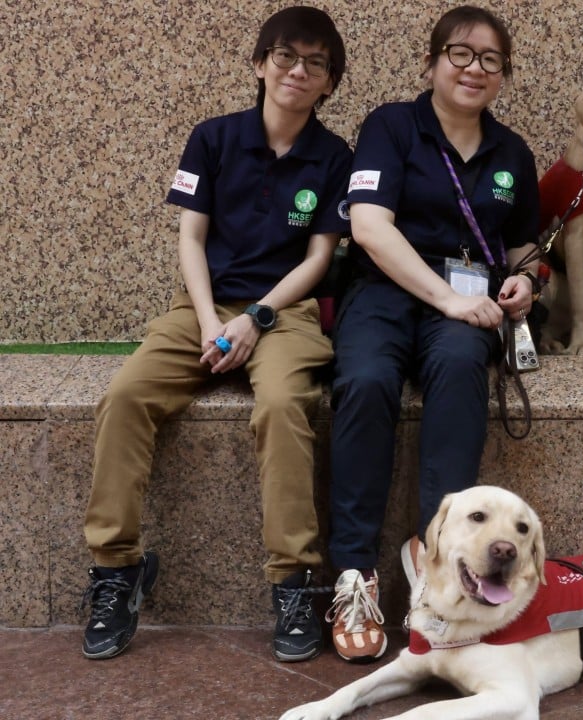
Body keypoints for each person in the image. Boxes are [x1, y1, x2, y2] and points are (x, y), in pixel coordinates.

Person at [79, 6, 350, 663]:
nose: (298, 71)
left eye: (315, 63)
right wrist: (208, 321)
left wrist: (255, 318)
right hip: (200, 306)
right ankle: (117, 570)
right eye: (285, 56)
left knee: (282, 405)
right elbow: (191, 238)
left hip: (285, 313)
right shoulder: (213, 138)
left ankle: (293, 583)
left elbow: (318, 259)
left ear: (329, 83)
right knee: (125, 396)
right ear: (260, 64)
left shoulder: (335, 156)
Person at [324, 5, 540, 663]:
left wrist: (525, 281)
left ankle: (437, 565)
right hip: (386, 291)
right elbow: (369, 226)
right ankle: (354, 573)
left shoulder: (512, 152)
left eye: (491, 60)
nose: (475, 69)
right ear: (431, 63)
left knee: (460, 368)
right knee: (365, 380)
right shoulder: (391, 126)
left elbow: (525, 246)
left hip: (469, 308)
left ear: (503, 75)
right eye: (460, 54)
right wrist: (447, 297)